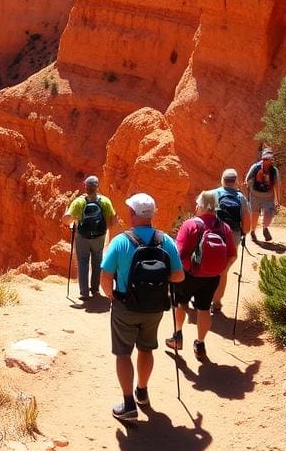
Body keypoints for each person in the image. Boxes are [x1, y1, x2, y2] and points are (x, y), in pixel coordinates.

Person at [101, 193, 185, 421]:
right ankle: (142, 392)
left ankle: (128, 405)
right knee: (146, 349)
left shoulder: (120, 241)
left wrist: (112, 297)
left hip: (125, 306)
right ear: (152, 214)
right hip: (155, 308)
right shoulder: (166, 241)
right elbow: (178, 276)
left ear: (132, 214)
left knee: (123, 353)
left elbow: (105, 277)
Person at [165, 190, 236, 359]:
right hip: (212, 277)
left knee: (180, 304)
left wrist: (178, 271)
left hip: (188, 274)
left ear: (202, 206)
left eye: (198, 204)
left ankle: (177, 337)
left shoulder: (191, 224)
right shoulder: (223, 227)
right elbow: (232, 255)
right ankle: (200, 343)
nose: (196, 207)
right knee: (204, 309)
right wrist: (220, 270)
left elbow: (178, 252)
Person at [62, 175, 116, 300]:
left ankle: (84, 292)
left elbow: (66, 220)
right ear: (97, 187)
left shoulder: (79, 202)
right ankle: (95, 289)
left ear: (85, 186)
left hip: (82, 236)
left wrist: (67, 212)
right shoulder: (105, 201)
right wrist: (103, 231)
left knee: (83, 262)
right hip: (99, 236)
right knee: (97, 262)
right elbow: (112, 221)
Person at [210, 168, 252, 312]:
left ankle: (202, 298)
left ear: (222, 180)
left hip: (212, 235)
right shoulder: (241, 198)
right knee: (222, 270)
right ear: (236, 182)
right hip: (231, 238)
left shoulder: (212, 194)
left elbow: (200, 215)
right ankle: (216, 302)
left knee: (208, 266)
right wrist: (242, 233)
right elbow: (247, 227)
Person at [245, 149, 279, 242]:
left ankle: (265, 228)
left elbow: (276, 184)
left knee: (268, 214)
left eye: (268, 159)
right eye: (265, 159)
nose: (266, 161)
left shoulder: (274, 171)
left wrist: (277, 199)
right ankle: (253, 232)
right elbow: (247, 179)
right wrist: (250, 190)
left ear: (271, 159)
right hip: (255, 196)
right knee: (254, 215)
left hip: (268, 197)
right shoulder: (255, 167)